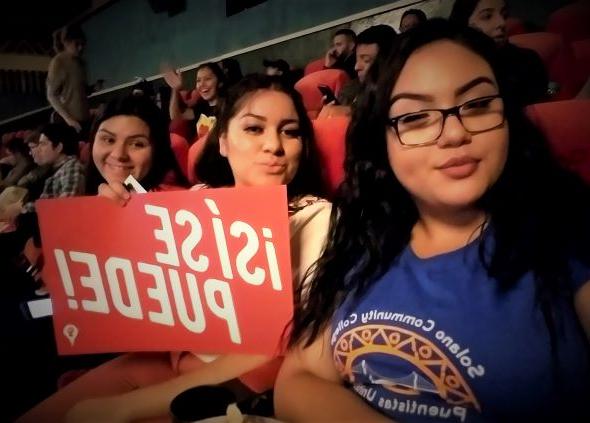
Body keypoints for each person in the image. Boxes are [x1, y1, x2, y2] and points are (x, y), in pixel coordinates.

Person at [275, 19, 590, 422]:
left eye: (477, 105)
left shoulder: (565, 229)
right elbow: (297, 381)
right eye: (415, 117)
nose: (454, 133)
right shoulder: (364, 241)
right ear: (381, 141)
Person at [17, 74, 330, 423]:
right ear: (223, 141)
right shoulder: (194, 202)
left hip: (237, 385)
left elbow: (278, 354)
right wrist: (111, 224)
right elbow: (134, 298)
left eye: (290, 131)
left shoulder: (318, 216)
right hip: (168, 357)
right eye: (254, 129)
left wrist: (124, 408)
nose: (275, 144)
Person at [85, 94, 188, 196]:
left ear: (157, 151)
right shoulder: (79, 200)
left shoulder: (179, 202)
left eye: (137, 144)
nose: (118, 154)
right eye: (109, 140)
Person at [449, 0, 549, 105]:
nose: (501, 22)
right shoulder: (450, 69)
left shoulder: (528, 62)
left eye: (504, 15)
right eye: (487, 16)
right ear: (464, 24)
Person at [319, 25, 397, 118]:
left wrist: (349, 112)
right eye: (357, 60)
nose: (356, 67)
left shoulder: (397, 91)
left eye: (366, 60)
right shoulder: (353, 86)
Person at [164, 62, 226, 142]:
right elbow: (175, 116)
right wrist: (175, 89)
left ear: (220, 82)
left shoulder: (229, 106)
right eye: (198, 81)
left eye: (207, 79)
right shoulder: (201, 107)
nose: (201, 84)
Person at [46, 25, 91, 136]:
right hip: (69, 123)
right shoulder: (58, 62)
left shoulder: (82, 63)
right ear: (66, 42)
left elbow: (79, 91)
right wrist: (68, 119)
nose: (80, 48)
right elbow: (51, 95)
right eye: (77, 44)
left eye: (82, 44)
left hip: (85, 120)